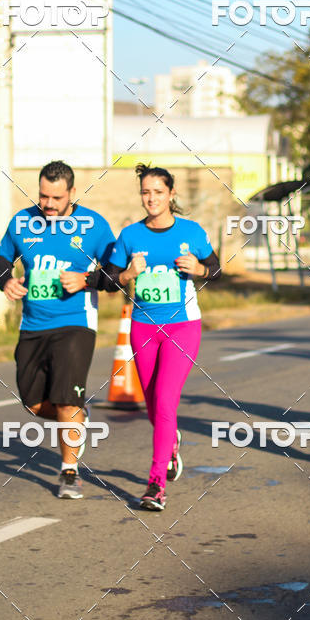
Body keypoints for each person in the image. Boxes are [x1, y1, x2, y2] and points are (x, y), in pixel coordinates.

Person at [103, 164, 221, 511]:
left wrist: (198, 269)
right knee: (154, 404)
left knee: (167, 399)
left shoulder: (191, 231)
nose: (151, 198)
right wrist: (127, 273)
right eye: (145, 192)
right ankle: (170, 443)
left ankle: (155, 484)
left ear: (171, 194)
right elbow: (109, 281)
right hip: (143, 326)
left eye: (157, 191)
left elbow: (215, 268)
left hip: (183, 325)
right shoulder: (129, 235)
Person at [0, 160, 114, 499]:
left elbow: (116, 272)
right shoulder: (23, 221)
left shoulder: (93, 226)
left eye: (56, 198)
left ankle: (69, 472)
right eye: (43, 196)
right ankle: (78, 416)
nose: (48, 205)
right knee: (33, 403)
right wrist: (6, 281)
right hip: (33, 324)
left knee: (65, 398)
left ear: (72, 194)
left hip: (75, 324)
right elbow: (1, 256)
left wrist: (87, 279)